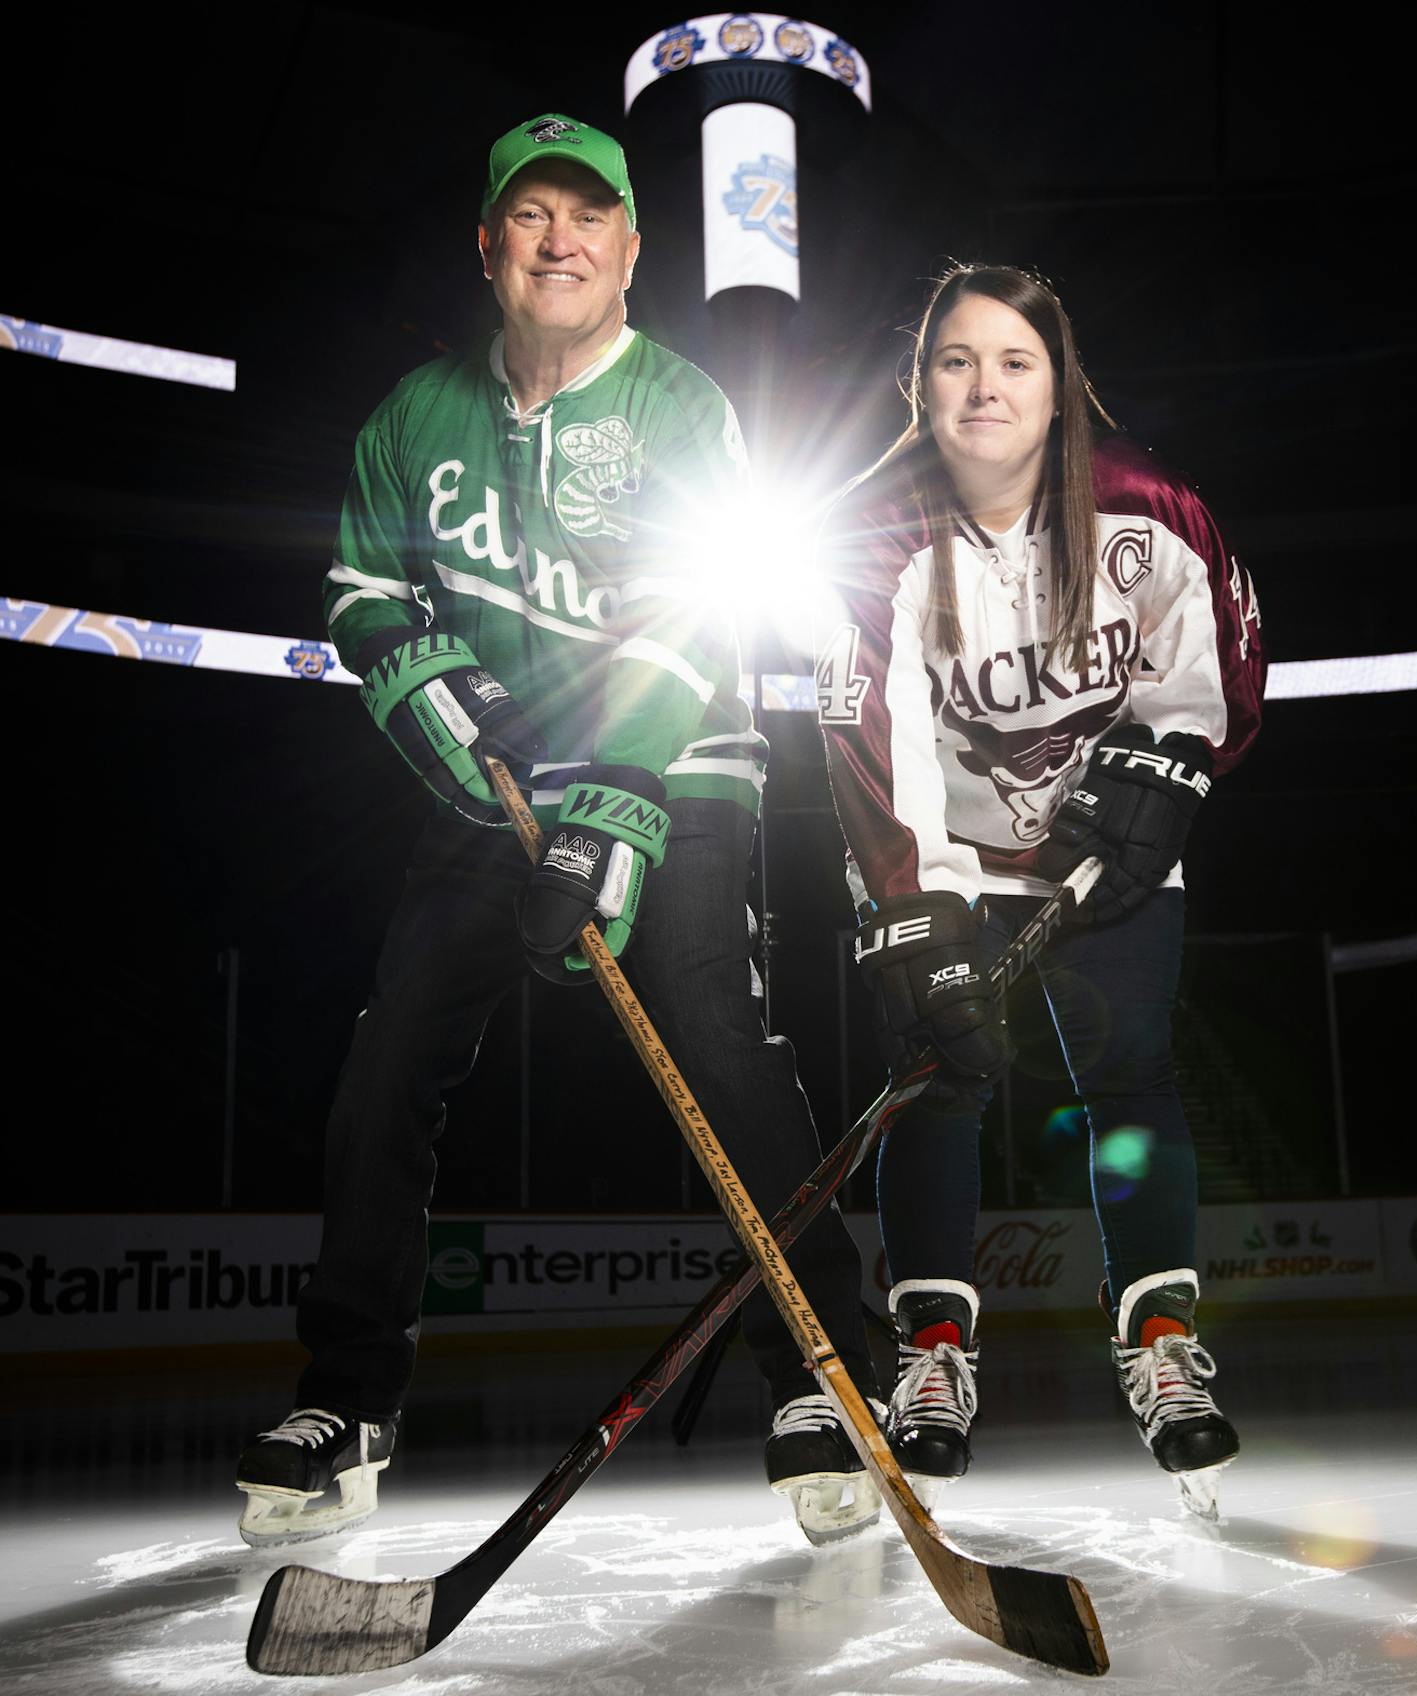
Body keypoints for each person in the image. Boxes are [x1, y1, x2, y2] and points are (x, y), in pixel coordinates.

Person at [235, 114, 883, 1548]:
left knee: (715, 1048)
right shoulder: (414, 415)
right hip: (495, 784)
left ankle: (828, 1370)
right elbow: (358, 591)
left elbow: (696, 614)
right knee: (388, 1057)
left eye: (587, 215)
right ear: (488, 244)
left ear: (633, 249)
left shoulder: (680, 407)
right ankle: (348, 1399)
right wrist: (439, 703)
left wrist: (616, 797)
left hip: (679, 765)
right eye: (529, 214)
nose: (559, 238)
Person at [817, 264, 1265, 1516]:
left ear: (1058, 382)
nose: (985, 386)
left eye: (1014, 360)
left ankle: (1163, 1340)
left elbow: (1219, 656)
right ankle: (935, 1356)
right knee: (938, 1079)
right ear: (920, 385)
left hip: (1105, 845)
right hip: (943, 849)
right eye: (956, 360)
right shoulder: (878, 531)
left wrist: (1175, 764)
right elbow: (864, 727)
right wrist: (917, 906)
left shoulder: (1147, 501)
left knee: (1129, 1076)